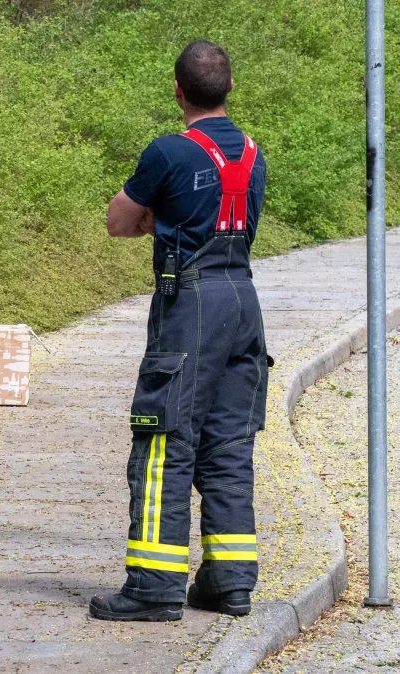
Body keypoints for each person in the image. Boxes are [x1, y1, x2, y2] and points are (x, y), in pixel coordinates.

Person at [90, 40, 269, 622]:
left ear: (177, 90)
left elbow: (120, 222)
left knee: (165, 441)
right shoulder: (253, 153)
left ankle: (155, 587)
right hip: (244, 301)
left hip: (191, 307)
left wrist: (158, 219)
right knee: (229, 443)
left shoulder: (167, 153)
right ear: (231, 88)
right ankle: (230, 582)